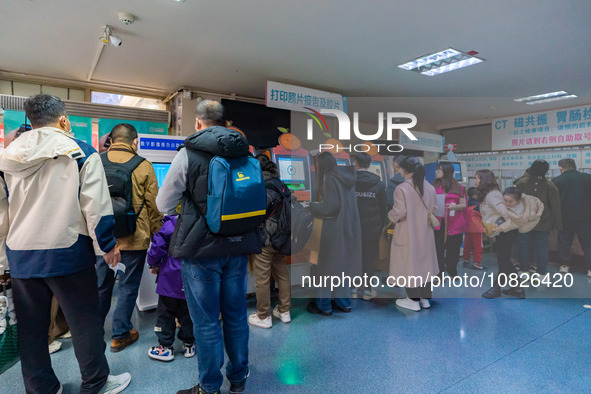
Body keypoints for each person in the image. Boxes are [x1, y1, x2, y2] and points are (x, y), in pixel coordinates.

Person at [0, 94, 130, 393]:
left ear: (31, 122)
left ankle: (42, 388)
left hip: (21, 255)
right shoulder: (80, 152)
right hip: (68, 252)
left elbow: (2, 212)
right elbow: (96, 206)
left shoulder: (7, 157)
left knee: (32, 329)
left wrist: (3, 261)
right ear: (64, 120)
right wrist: (107, 247)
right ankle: (95, 382)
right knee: (84, 322)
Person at [157, 100, 261, 394]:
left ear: (198, 123)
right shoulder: (245, 151)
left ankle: (210, 386)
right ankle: (238, 379)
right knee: (236, 316)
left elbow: (163, 204)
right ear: (224, 122)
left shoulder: (188, 154)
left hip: (201, 250)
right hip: (238, 246)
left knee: (205, 323)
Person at [96, 123, 163, 352]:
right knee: (127, 287)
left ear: (111, 141)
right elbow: (154, 206)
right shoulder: (143, 166)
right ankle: (120, 335)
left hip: (103, 240)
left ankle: (94, 332)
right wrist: (158, 240)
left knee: (101, 286)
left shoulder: (97, 162)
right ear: (135, 142)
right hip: (134, 238)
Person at [307, 151, 362, 316]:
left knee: (325, 267)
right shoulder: (347, 177)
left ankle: (324, 305)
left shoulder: (330, 178)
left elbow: (330, 207)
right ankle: (344, 303)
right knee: (341, 266)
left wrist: (311, 206)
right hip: (347, 226)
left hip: (333, 228)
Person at [388, 156, 438, 311]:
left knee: (410, 264)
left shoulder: (402, 188)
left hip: (408, 232)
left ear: (403, 169)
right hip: (426, 233)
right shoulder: (429, 187)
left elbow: (399, 213)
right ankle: (425, 299)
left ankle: (413, 300)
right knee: (425, 264)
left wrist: (390, 216)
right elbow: (435, 209)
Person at [248, 154, 292, 329]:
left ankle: (264, 316)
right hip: (282, 239)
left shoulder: (262, 188)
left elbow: (255, 214)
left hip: (265, 240)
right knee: (282, 274)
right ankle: (284, 311)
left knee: (262, 279)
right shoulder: (282, 186)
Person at [147, 214, 196, 361]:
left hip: (170, 279)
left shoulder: (171, 224)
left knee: (165, 313)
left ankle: (165, 347)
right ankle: (189, 344)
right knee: (188, 313)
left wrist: (153, 263)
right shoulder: (198, 220)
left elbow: (158, 246)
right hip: (191, 277)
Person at [478, 170, 524, 299]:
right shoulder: (492, 194)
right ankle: (517, 288)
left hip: (506, 231)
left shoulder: (492, 195)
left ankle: (496, 288)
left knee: (503, 261)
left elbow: (506, 213)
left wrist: (503, 227)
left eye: (477, 178)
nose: (475, 181)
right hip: (504, 231)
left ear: (483, 180)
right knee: (505, 261)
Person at [515, 160, 562, 275]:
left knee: (523, 246)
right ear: (546, 171)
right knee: (541, 247)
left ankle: (524, 270)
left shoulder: (522, 183)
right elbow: (555, 206)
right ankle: (541, 273)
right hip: (543, 222)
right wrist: (558, 226)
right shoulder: (550, 185)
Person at [351, 152, 387, 300]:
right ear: (369, 165)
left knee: (354, 257)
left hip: (353, 227)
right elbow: (383, 207)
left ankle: (353, 289)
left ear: (356, 164)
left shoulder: (350, 182)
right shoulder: (378, 183)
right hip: (372, 227)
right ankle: (367, 290)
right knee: (369, 259)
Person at [552, 158, 591, 277]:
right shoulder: (588, 178)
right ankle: (590, 268)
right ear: (575, 166)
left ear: (561, 168)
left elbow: (553, 201)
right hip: (585, 217)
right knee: (588, 243)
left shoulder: (556, 180)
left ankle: (564, 266)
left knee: (564, 241)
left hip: (564, 217)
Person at [432, 162, 468, 277]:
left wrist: (454, 207)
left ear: (447, 172)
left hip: (454, 224)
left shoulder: (459, 187)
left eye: (439, 170)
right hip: (438, 223)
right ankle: (439, 273)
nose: (436, 172)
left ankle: (452, 270)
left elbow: (464, 204)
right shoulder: (433, 186)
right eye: (437, 169)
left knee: (454, 250)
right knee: (438, 249)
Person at [462, 187, 485, 270]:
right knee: (478, 246)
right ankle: (477, 263)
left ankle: (466, 259)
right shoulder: (478, 206)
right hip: (477, 228)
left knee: (467, 245)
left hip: (468, 227)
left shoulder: (466, 204)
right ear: (475, 195)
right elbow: (483, 216)